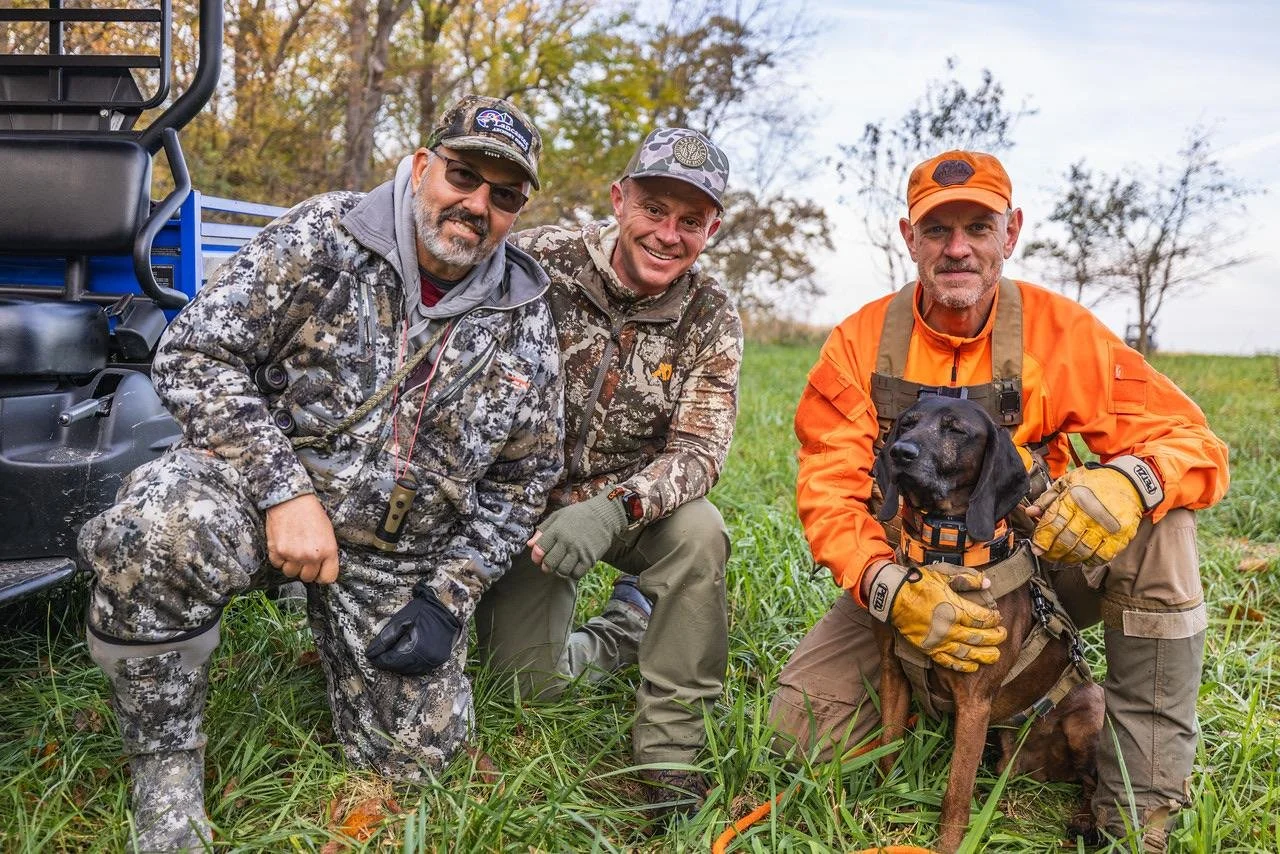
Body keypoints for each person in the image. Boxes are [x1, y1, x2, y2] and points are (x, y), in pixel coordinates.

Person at [78, 95, 563, 852]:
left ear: (518, 210)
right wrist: (284, 489)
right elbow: (193, 352)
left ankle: (349, 658)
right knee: (161, 530)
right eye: (463, 176)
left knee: (418, 765)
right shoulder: (324, 234)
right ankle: (165, 769)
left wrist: (447, 598)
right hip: (252, 493)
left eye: (503, 196)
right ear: (421, 167)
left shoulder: (525, 313)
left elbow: (523, 480)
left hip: (394, 553)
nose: (476, 205)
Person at [767, 150, 1228, 852]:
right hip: (913, 568)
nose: (958, 248)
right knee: (797, 737)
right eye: (938, 229)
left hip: (1039, 565)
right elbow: (829, 489)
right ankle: (948, 705)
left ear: (1009, 233)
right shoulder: (858, 344)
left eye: (977, 227)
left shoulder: (1062, 335)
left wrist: (1131, 481)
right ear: (908, 237)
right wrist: (886, 584)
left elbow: (1193, 440)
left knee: (1165, 528)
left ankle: (1141, 806)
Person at [473, 127, 742, 817]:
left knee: (700, 531)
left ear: (711, 230)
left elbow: (700, 453)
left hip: (629, 509)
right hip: (521, 501)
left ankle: (671, 747)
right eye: (654, 209)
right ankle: (626, 626)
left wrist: (614, 509)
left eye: (691, 221)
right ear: (620, 200)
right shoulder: (539, 259)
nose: (668, 234)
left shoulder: (712, 312)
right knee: (526, 689)